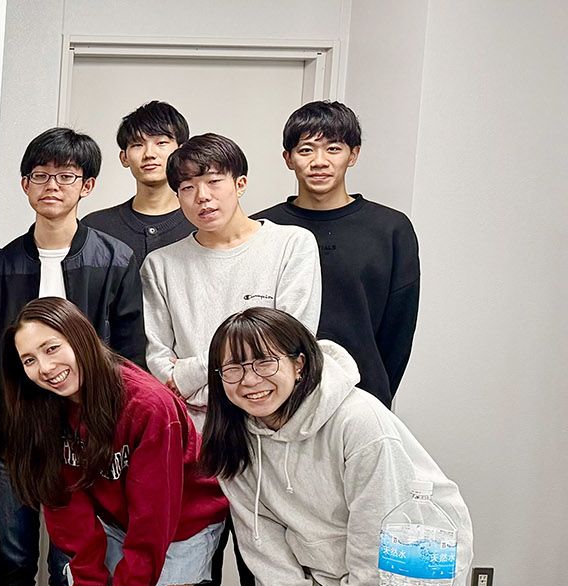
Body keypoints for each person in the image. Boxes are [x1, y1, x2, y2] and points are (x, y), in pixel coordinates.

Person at [0, 127, 141, 586]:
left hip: (86, 441)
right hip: (12, 441)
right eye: (41, 175)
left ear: (87, 185)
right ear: (24, 184)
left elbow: (127, 357)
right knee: (15, 562)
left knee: (75, 561)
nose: (53, 185)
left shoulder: (114, 260)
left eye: (67, 176)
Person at [201, 308, 471, 586]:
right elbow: (262, 539)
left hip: (410, 570)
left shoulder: (358, 420)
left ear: (298, 364)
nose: (249, 380)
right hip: (331, 573)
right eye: (233, 368)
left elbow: (377, 528)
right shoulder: (233, 440)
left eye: (264, 362)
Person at [0, 297, 229, 586]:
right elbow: (64, 501)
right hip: (115, 521)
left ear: (79, 337)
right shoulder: (44, 408)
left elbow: (153, 514)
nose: (45, 368)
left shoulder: (147, 406)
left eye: (51, 349)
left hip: (179, 525)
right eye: (29, 360)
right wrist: (89, 584)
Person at [142, 132, 322, 421]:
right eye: (188, 187)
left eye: (214, 182)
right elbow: (160, 362)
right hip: (197, 425)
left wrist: (194, 373)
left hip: (273, 416)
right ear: (177, 197)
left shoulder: (291, 245)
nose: (202, 197)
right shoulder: (160, 264)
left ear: (240, 184)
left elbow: (292, 343)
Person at [256, 101, 421, 407]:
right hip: (273, 398)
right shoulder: (261, 228)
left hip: (361, 394)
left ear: (353, 154)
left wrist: (375, 396)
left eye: (333, 149)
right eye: (306, 150)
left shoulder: (390, 228)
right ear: (288, 158)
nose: (320, 161)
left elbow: (398, 333)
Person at [80, 101, 194, 266]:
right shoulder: (95, 228)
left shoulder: (202, 224)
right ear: (124, 158)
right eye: (137, 145)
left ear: (181, 152)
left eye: (161, 143)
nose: (149, 154)